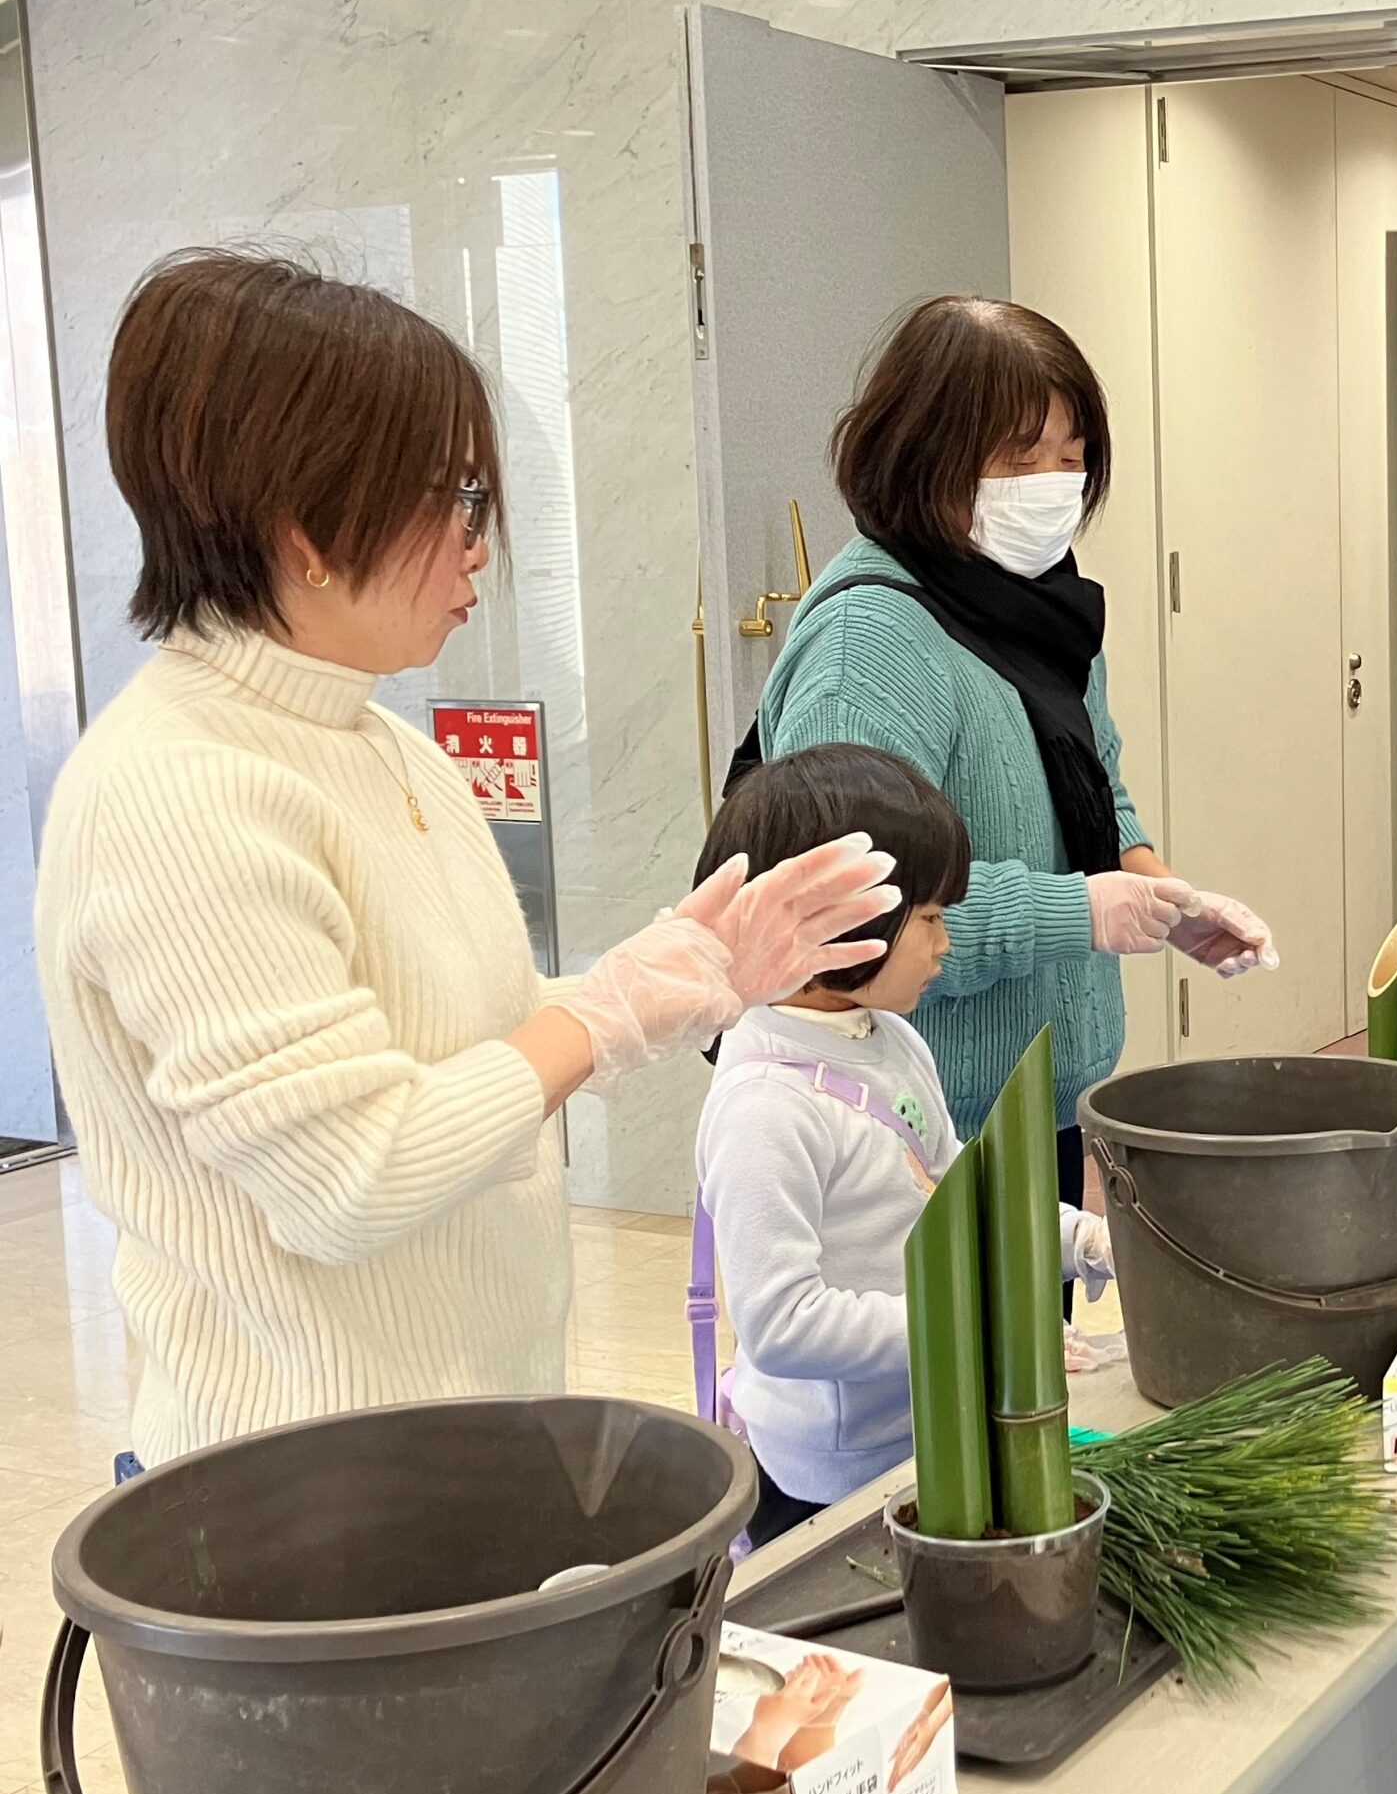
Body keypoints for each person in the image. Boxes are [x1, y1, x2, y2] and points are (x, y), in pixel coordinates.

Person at [34, 250, 900, 1468]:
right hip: (299, 1485)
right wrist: (603, 1016)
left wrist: (669, 983)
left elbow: (460, 1039)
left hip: (460, 1442)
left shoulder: (381, 744)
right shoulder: (179, 789)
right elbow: (350, 1176)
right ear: (305, 530)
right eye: (452, 499)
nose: (478, 545)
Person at [756, 293, 1275, 1189]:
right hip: (920, 1125)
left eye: (1071, 458)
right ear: (923, 454)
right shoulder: (869, 641)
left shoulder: (1041, 605)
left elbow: (1096, 785)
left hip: (1048, 1094)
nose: (1052, 484)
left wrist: (1162, 894)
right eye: (1018, 458)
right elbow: (854, 917)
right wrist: (1084, 911)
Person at [692, 742, 1112, 1550]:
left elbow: (952, 1191)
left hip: (923, 1429)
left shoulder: (888, 1038)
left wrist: (1079, 1239)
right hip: (828, 1474)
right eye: (929, 918)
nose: (944, 943)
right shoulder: (765, 1107)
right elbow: (783, 1323)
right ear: (837, 925)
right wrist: (974, 1324)